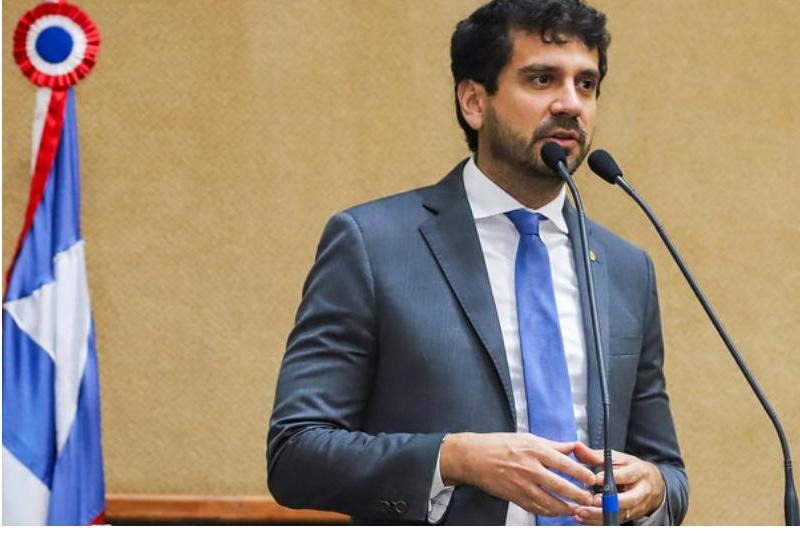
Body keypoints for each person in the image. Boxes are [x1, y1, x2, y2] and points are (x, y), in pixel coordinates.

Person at [267, 0, 688, 525]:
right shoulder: (373, 245)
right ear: (473, 102)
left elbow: (668, 471)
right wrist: (455, 459)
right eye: (541, 79)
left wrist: (654, 490)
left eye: (586, 84)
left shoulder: (627, 268)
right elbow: (296, 453)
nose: (570, 104)